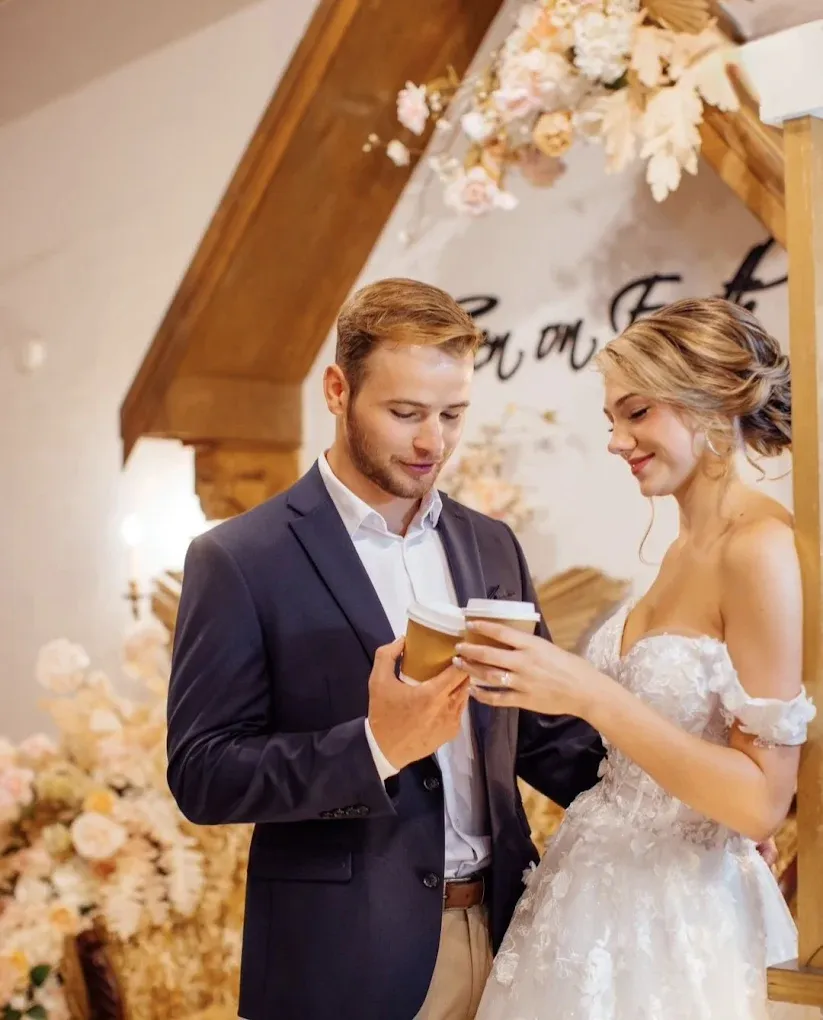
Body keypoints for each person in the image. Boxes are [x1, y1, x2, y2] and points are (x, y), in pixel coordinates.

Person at [164, 278, 608, 1020]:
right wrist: (373, 747)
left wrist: (685, 814)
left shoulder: (490, 543)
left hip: (513, 940)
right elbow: (203, 774)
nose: (432, 441)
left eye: (451, 414)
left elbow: (542, 739)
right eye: (405, 414)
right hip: (341, 963)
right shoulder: (240, 558)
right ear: (337, 390)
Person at [456, 297, 818, 1019]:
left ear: (710, 401)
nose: (617, 441)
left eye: (637, 412)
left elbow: (757, 802)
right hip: (591, 903)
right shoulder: (682, 547)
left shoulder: (759, 549)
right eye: (610, 420)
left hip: (682, 924)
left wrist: (589, 694)